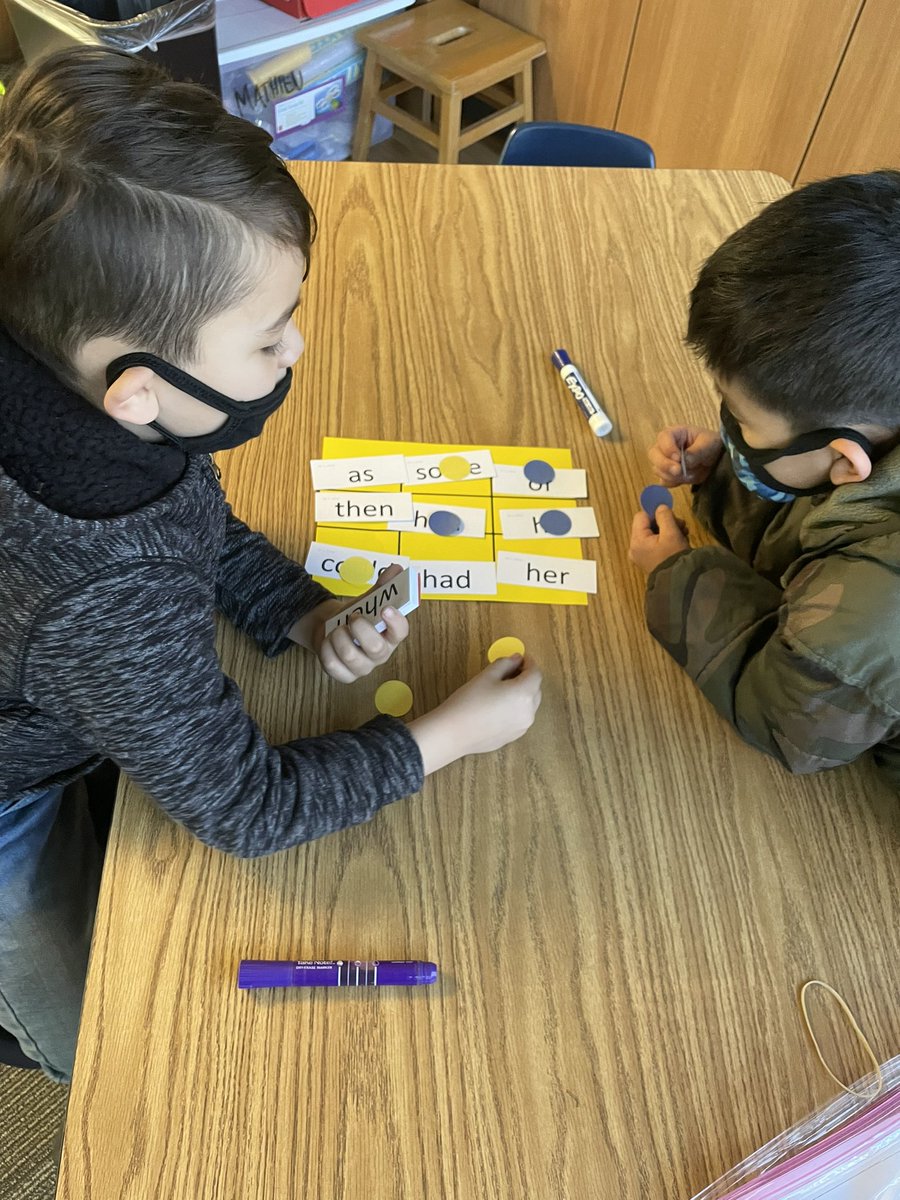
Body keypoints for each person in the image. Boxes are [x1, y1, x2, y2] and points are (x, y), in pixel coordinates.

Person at [0, 48, 542, 1083]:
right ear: (133, 394)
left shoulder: (63, 389)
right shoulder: (103, 592)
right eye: (265, 338)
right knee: (102, 1040)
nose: (294, 351)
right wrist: (444, 738)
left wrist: (297, 610)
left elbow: (180, 519)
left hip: (50, 665)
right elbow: (250, 811)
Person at [629, 170, 900, 791]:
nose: (727, 428)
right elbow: (827, 521)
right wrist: (725, 473)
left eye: (742, 421)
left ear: (845, 459)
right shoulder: (870, 435)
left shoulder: (870, 618)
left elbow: (782, 718)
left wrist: (676, 575)